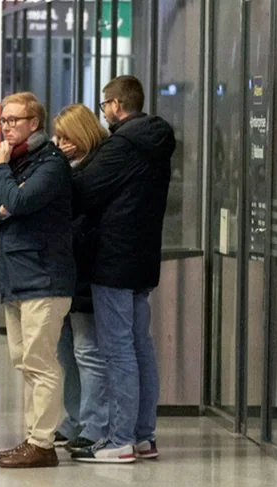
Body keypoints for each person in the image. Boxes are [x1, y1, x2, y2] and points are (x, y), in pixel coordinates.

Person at [69, 76, 175, 464]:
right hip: (143, 257)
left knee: (118, 350)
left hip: (113, 258)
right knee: (140, 347)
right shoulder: (157, 142)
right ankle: (144, 436)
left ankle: (119, 440)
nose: (104, 113)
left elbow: (84, 192)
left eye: (104, 106)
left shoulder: (122, 145)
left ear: (115, 104)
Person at [0, 91, 75, 469]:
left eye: (13, 120)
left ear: (34, 123)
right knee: (23, 360)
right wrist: (6, 199)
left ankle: (43, 442)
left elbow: (19, 204)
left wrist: (2, 178)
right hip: (15, 279)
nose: (6, 127)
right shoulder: (17, 164)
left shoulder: (49, 164)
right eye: (3, 120)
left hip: (44, 279)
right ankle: (34, 437)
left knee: (41, 362)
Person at [50, 104, 109, 452]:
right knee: (66, 351)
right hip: (67, 271)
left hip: (86, 269)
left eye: (65, 137)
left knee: (87, 350)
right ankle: (73, 420)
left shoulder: (95, 170)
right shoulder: (71, 168)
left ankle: (93, 424)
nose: (60, 144)